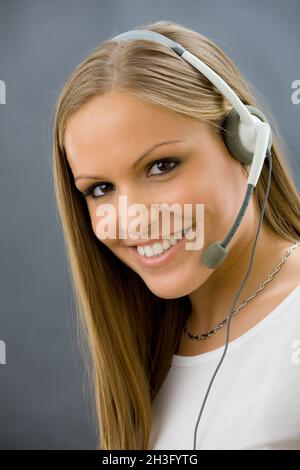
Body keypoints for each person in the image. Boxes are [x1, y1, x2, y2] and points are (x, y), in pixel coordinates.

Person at [52, 20, 300, 450]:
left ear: (246, 144)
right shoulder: (153, 345)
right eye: (101, 189)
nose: (132, 221)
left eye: (161, 165)